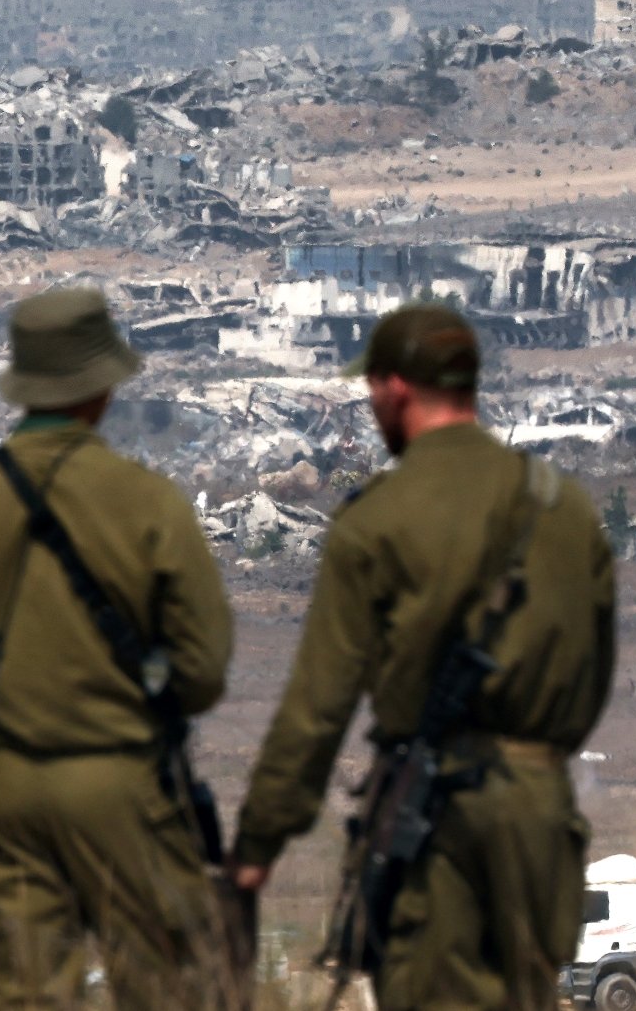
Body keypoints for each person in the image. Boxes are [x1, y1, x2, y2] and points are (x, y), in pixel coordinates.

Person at [230, 304, 615, 1011]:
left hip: (434, 821)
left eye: (372, 387)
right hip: (539, 824)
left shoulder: (376, 518)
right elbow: (593, 679)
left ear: (396, 388)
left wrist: (257, 844)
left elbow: (318, 707)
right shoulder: (563, 508)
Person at [0, 288, 234, 1010]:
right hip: (124, 785)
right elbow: (205, 670)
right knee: (167, 989)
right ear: (103, 388)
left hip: (0, 793)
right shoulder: (149, 503)